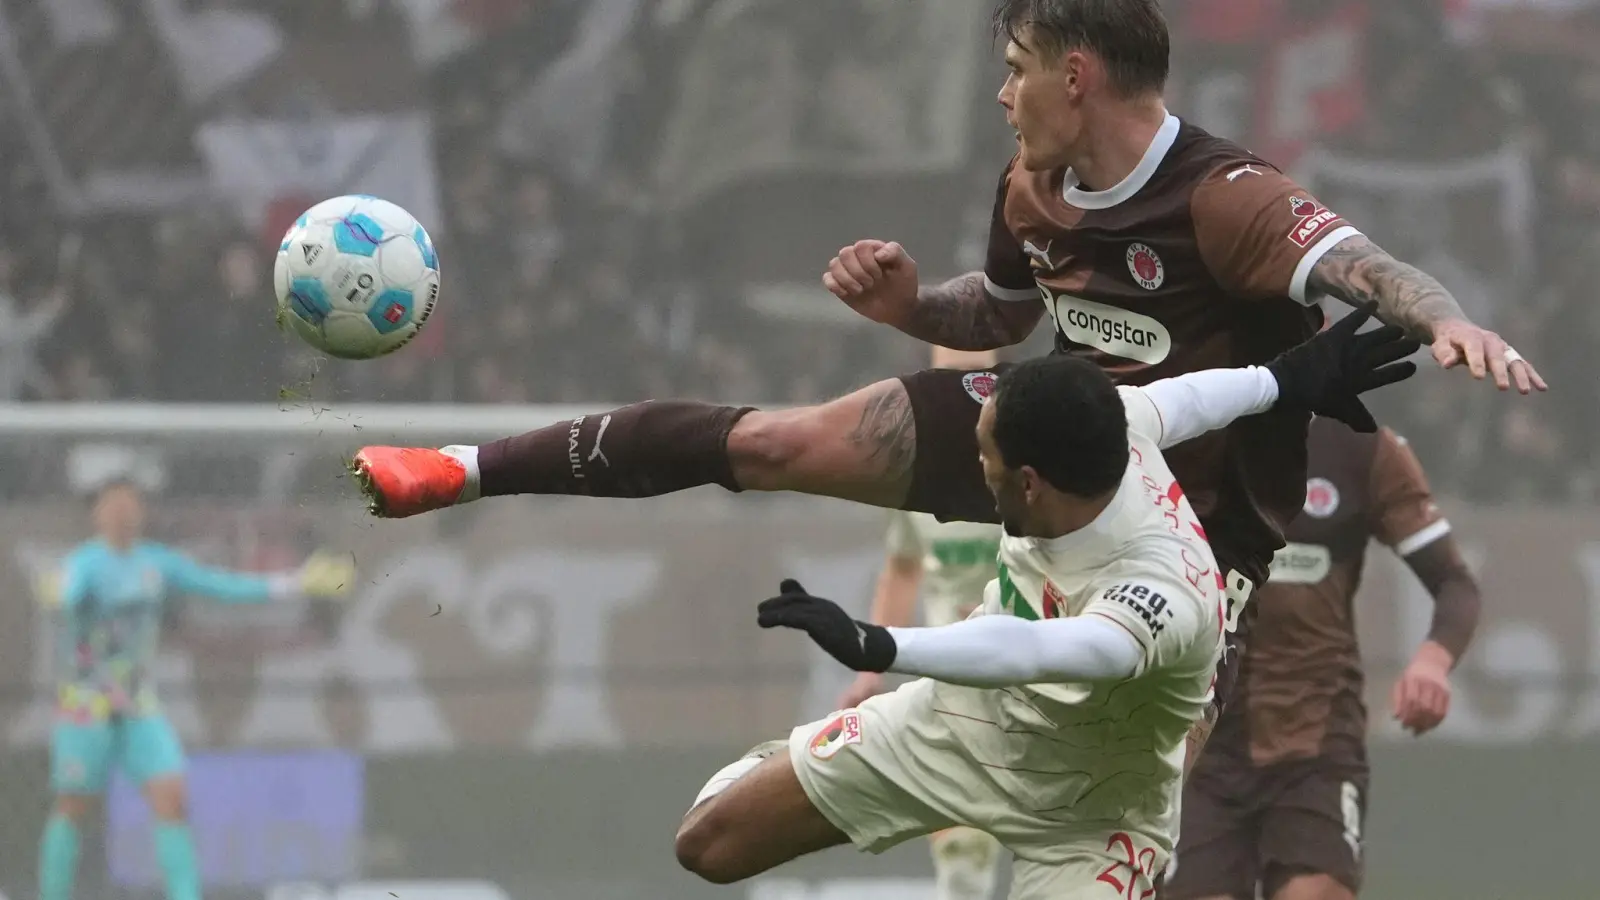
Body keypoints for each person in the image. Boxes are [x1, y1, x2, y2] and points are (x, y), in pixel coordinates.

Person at [348, 0, 1541, 749]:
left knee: (1092, 781)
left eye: (1016, 68)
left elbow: (1368, 269)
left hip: (1183, 537)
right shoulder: (1028, 187)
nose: (1002, 96)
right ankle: (459, 471)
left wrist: (1450, 321)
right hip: (1049, 437)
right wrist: (909, 308)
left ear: (1077, 74)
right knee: (771, 445)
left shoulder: (1226, 199)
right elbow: (1006, 312)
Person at [673, 309, 1417, 897]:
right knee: (708, 844)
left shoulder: (1169, 591)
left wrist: (882, 645)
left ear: (1029, 481)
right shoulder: (1114, 426)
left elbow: (1042, 650)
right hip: (968, 730)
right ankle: (807, 755)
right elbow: (1195, 397)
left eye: (986, 455)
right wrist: (1288, 379)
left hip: (1095, 814)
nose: (974, 463)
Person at [1162, 416, 1480, 900]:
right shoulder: (1187, 429)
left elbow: (1455, 583)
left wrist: (1431, 664)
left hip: (1315, 740)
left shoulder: (1363, 447)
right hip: (1198, 741)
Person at [38, 480, 352, 900]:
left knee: (172, 797)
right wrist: (61, 594)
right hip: (86, 704)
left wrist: (294, 583)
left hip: (136, 703)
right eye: (112, 505)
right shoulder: (86, 564)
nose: (122, 513)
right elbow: (68, 592)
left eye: (130, 505)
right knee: (73, 806)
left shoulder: (156, 563)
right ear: (97, 514)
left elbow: (219, 585)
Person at [839, 345, 1008, 900]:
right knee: (962, 853)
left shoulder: (1030, 460)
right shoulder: (920, 475)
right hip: (951, 682)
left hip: (1033, 675)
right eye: (948, 379)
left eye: (973, 380)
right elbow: (904, 567)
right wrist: (870, 669)